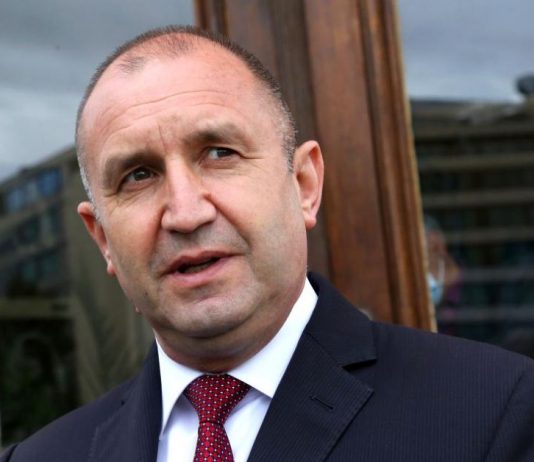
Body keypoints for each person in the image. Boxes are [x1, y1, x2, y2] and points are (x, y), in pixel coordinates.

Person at [2, 25, 534, 462]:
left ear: (304, 185)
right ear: (102, 240)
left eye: (219, 153)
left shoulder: (493, 412)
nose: (186, 213)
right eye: (138, 175)